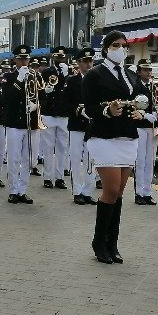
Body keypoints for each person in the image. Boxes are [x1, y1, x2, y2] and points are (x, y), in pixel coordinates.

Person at [82, 30, 146, 264]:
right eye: (116, 45)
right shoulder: (94, 74)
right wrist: (106, 111)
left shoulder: (130, 75)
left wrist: (142, 113)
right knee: (110, 189)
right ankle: (99, 242)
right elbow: (87, 108)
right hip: (104, 136)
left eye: (124, 45)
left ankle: (112, 243)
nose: (121, 49)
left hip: (127, 136)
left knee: (119, 191)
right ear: (107, 48)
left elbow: (141, 99)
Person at [3, 44, 44, 204]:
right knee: (13, 158)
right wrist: (19, 79)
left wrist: (36, 105)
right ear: (15, 60)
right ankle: (13, 190)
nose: (24, 62)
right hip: (14, 122)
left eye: (26, 58)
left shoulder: (36, 76)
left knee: (29, 159)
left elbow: (43, 98)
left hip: (32, 123)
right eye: (20, 59)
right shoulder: (9, 77)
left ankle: (23, 190)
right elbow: (7, 98)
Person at [62, 48, 97, 205]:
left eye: (91, 61)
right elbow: (64, 103)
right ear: (79, 63)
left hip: (92, 126)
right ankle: (77, 192)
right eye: (85, 62)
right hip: (76, 125)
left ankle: (88, 192)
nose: (89, 64)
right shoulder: (72, 81)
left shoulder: (98, 81)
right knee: (76, 160)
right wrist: (78, 109)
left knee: (91, 160)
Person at [40, 46, 71, 190]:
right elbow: (40, 91)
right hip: (49, 113)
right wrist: (46, 91)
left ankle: (59, 178)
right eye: (57, 56)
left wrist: (66, 75)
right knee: (48, 147)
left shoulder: (70, 72)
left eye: (62, 57)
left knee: (62, 148)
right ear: (53, 57)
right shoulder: (46, 72)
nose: (60, 59)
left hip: (64, 113)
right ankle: (47, 177)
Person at [133, 59, 158, 205]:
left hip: (152, 127)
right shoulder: (136, 87)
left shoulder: (155, 87)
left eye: (149, 70)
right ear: (139, 71)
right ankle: (138, 193)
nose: (148, 72)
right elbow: (133, 108)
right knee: (140, 161)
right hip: (140, 127)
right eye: (145, 70)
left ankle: (148, 192)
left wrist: (155, 116)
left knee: (150, 162)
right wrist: (147, 116)